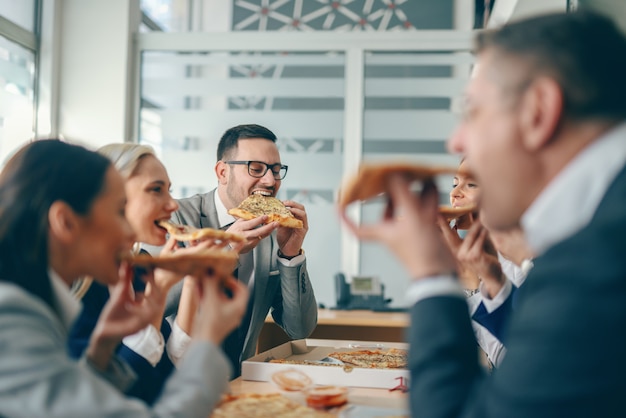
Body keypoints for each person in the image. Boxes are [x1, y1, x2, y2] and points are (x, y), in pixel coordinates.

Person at [341, 11, 626, 417]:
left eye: (473, 112)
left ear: (538, 111)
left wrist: (432, 274)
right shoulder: (588, 232)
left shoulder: (594, 261)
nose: (456, 138)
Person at [0, 139, 248, 416]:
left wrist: (102, 349)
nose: (130, 234)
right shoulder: (11, 314)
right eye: (120, 211)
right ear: (65, 221)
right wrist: (210, 336)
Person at [68, 143, 218, 403]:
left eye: (169, 190)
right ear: (113, 196)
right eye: (156, 190)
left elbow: (165, 370)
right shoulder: (74, 283)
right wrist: (159, 290)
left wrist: (194, 278)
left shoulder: (138, 269)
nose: (172, 205)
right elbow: (106, 395)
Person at [164, 124, 318, 376]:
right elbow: (155, 303)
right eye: (256, 168)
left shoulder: (271, 230)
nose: (270, 181)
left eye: (276, 171)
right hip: (169, 383)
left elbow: (299, 329)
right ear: (223, 172)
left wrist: (290, 255)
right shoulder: (178, 218)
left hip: (237, 385)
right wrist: (225, 250)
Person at [441, 159, 533, 367]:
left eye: (471, 184)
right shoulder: (473, 254)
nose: (454, 194)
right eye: (455, 183)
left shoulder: (524, 261)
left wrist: (473, 286)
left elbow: (512, 359)